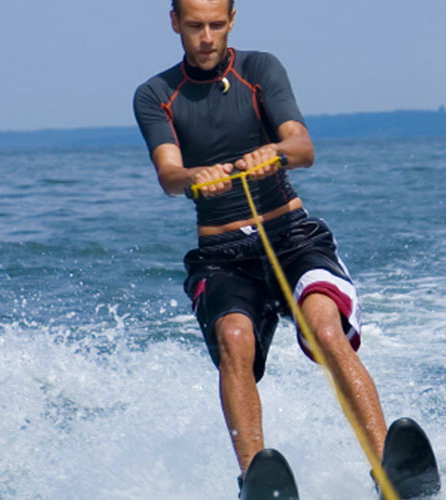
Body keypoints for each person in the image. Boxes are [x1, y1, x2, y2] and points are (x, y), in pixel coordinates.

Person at [133, 0, 388, 487]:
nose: (205, 37)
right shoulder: (155, 94)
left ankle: (384, 465)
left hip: (291, 237)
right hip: (222, 256)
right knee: (234, 342)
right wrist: (195, 176)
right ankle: (255, 481)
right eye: (193, 26)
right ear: (174, 24)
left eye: (215, 25)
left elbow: (302, 147)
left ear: (232, 20)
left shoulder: (260, 69)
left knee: (324, 328)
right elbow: (168, 174)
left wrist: (276, 152)